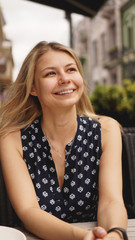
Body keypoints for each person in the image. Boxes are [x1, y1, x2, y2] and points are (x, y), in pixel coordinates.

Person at [0, 41, 128, 240]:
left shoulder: (107, 130)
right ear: (33, 87)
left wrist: (115, 235)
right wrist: (83, 237)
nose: (64, 79)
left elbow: (111, 201)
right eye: (51, 73)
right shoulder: (12, 139)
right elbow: (28, 212)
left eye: (71, 69)